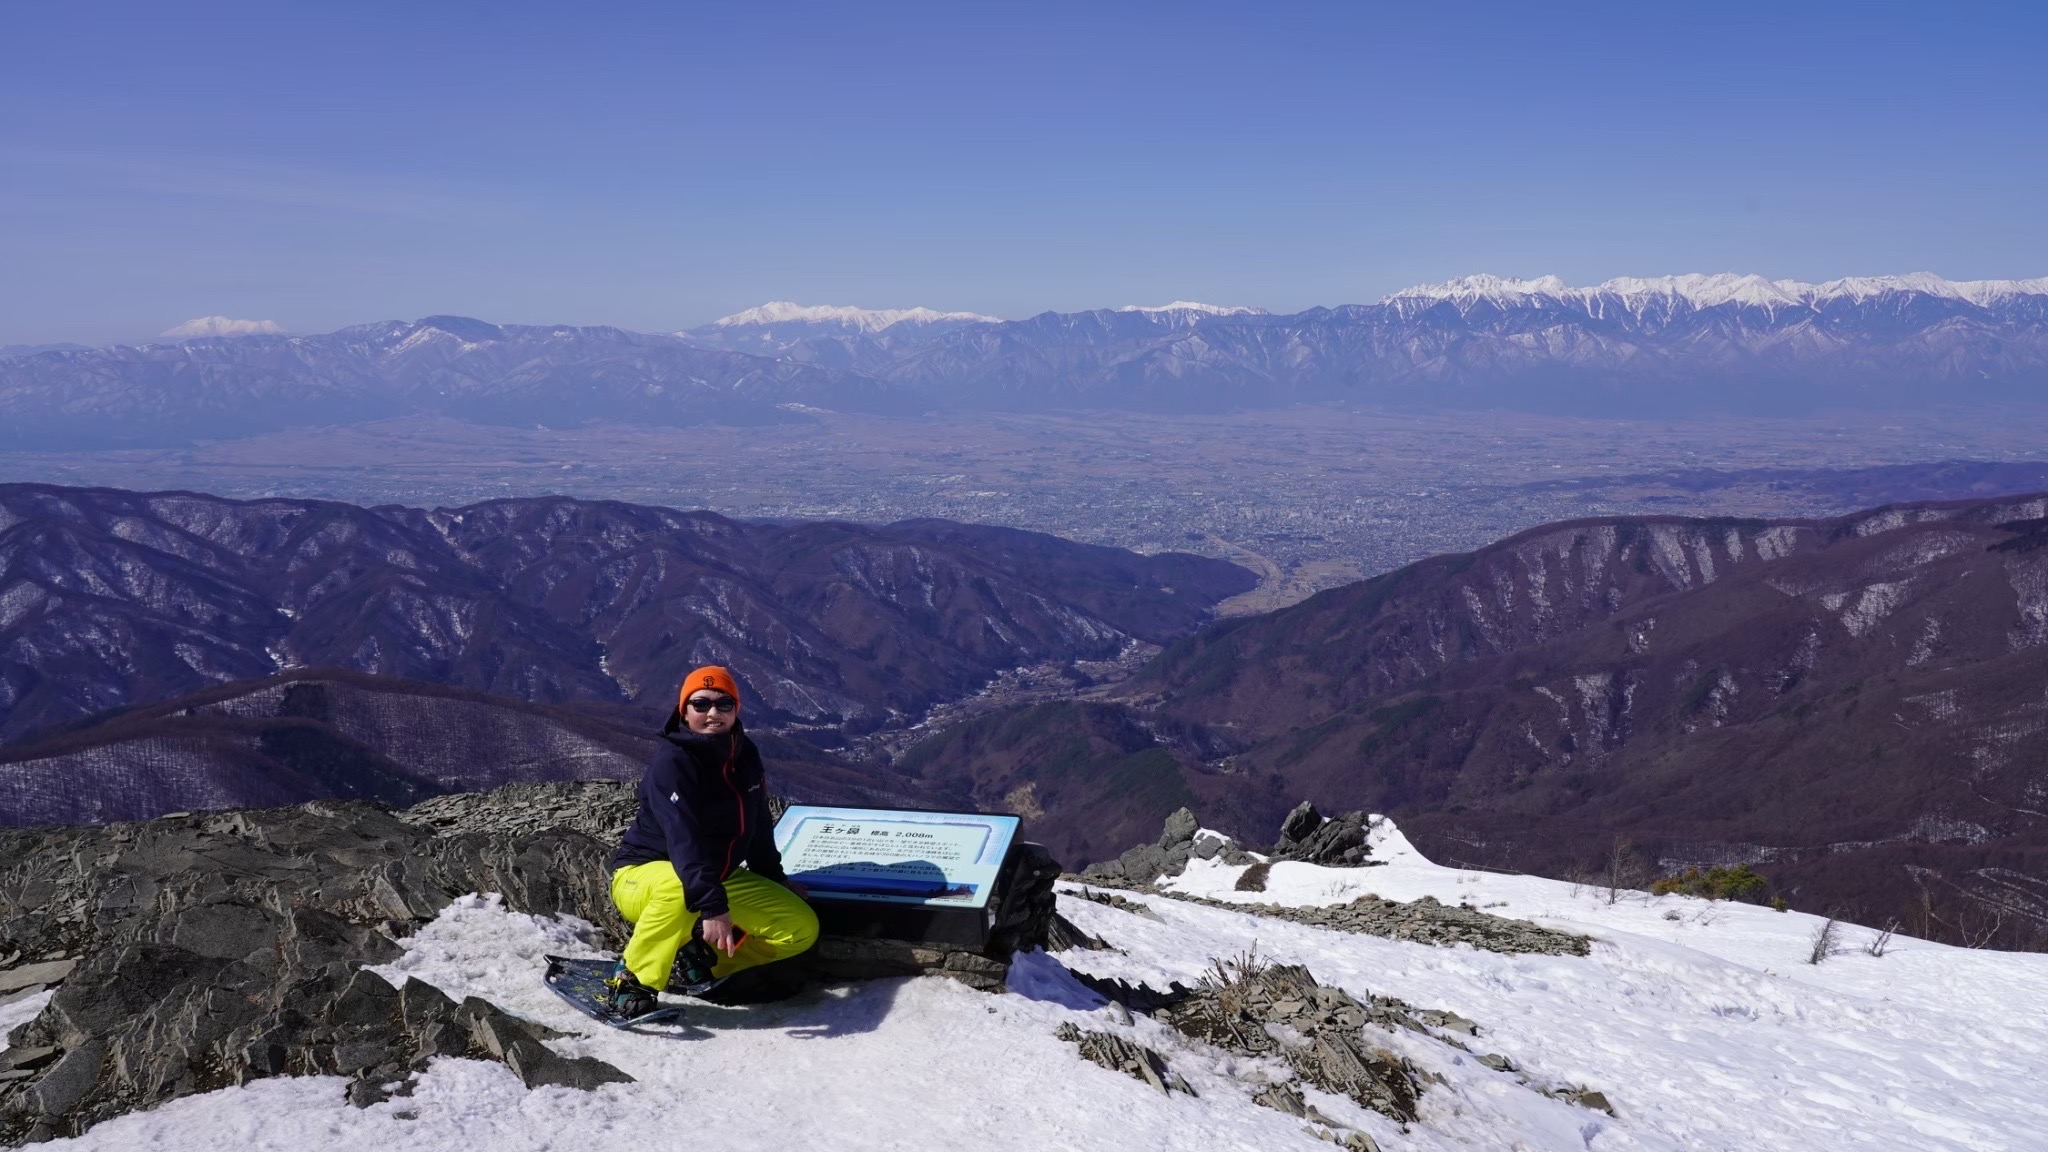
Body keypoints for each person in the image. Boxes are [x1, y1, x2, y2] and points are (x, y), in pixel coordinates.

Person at [603, 665, 818, 1017]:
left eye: (724, 704)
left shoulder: (745, 754)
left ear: (737, 709)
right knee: (677, 887)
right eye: (700, 704)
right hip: (644, 876)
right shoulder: (673, 762)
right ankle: (631, 980)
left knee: (799, 927)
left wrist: (775, 878)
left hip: (716, 878)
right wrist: (714, 908)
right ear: (683, 711)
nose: (713, 713)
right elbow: (683, 839)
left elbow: (759, 823)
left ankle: (697, 960)